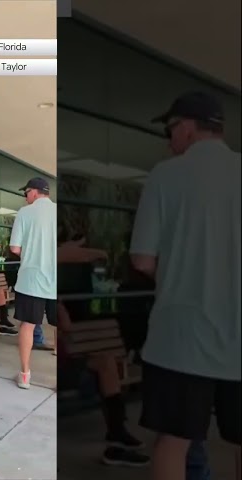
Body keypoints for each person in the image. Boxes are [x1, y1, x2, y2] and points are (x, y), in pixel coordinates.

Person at [130, 92, 240, 480]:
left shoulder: (165, 174)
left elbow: (143, 259)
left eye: (170, 129)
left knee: (173, 441)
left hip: (180, 337)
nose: (168, 139)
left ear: (188, 128)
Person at [57, 303, 150, 467]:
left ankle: (117, 433)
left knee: (106, 363)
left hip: (66, 364)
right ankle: (117, 435)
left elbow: (66, 327)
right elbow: (64, 327)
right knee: (105, 368)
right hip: (55, 368)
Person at [9, 177, 57, 389]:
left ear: (35, 192)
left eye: (26, 192)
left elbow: (15, 249)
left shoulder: (24, 212)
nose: (25, 197)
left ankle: (25, 374)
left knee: (27, 326)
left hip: (31, 279)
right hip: (56, 279)